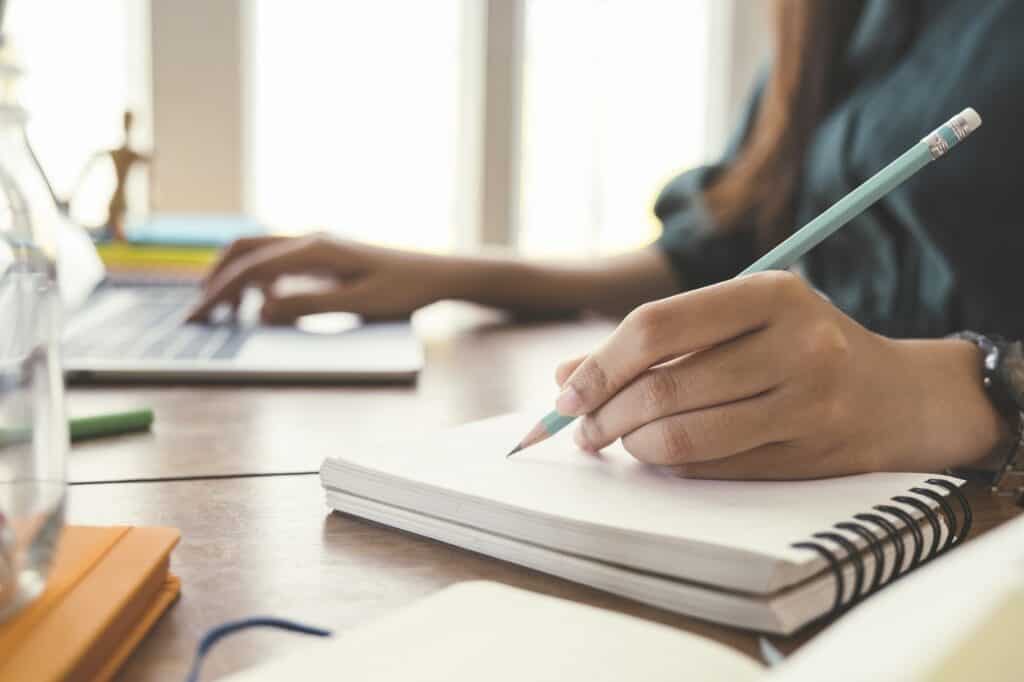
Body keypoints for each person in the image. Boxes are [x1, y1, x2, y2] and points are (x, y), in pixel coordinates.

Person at [189, 0, 1024, 481]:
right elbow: (711, 250)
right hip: (802, 490)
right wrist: (454, 272)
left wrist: (953, 389)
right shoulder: (842, 17)